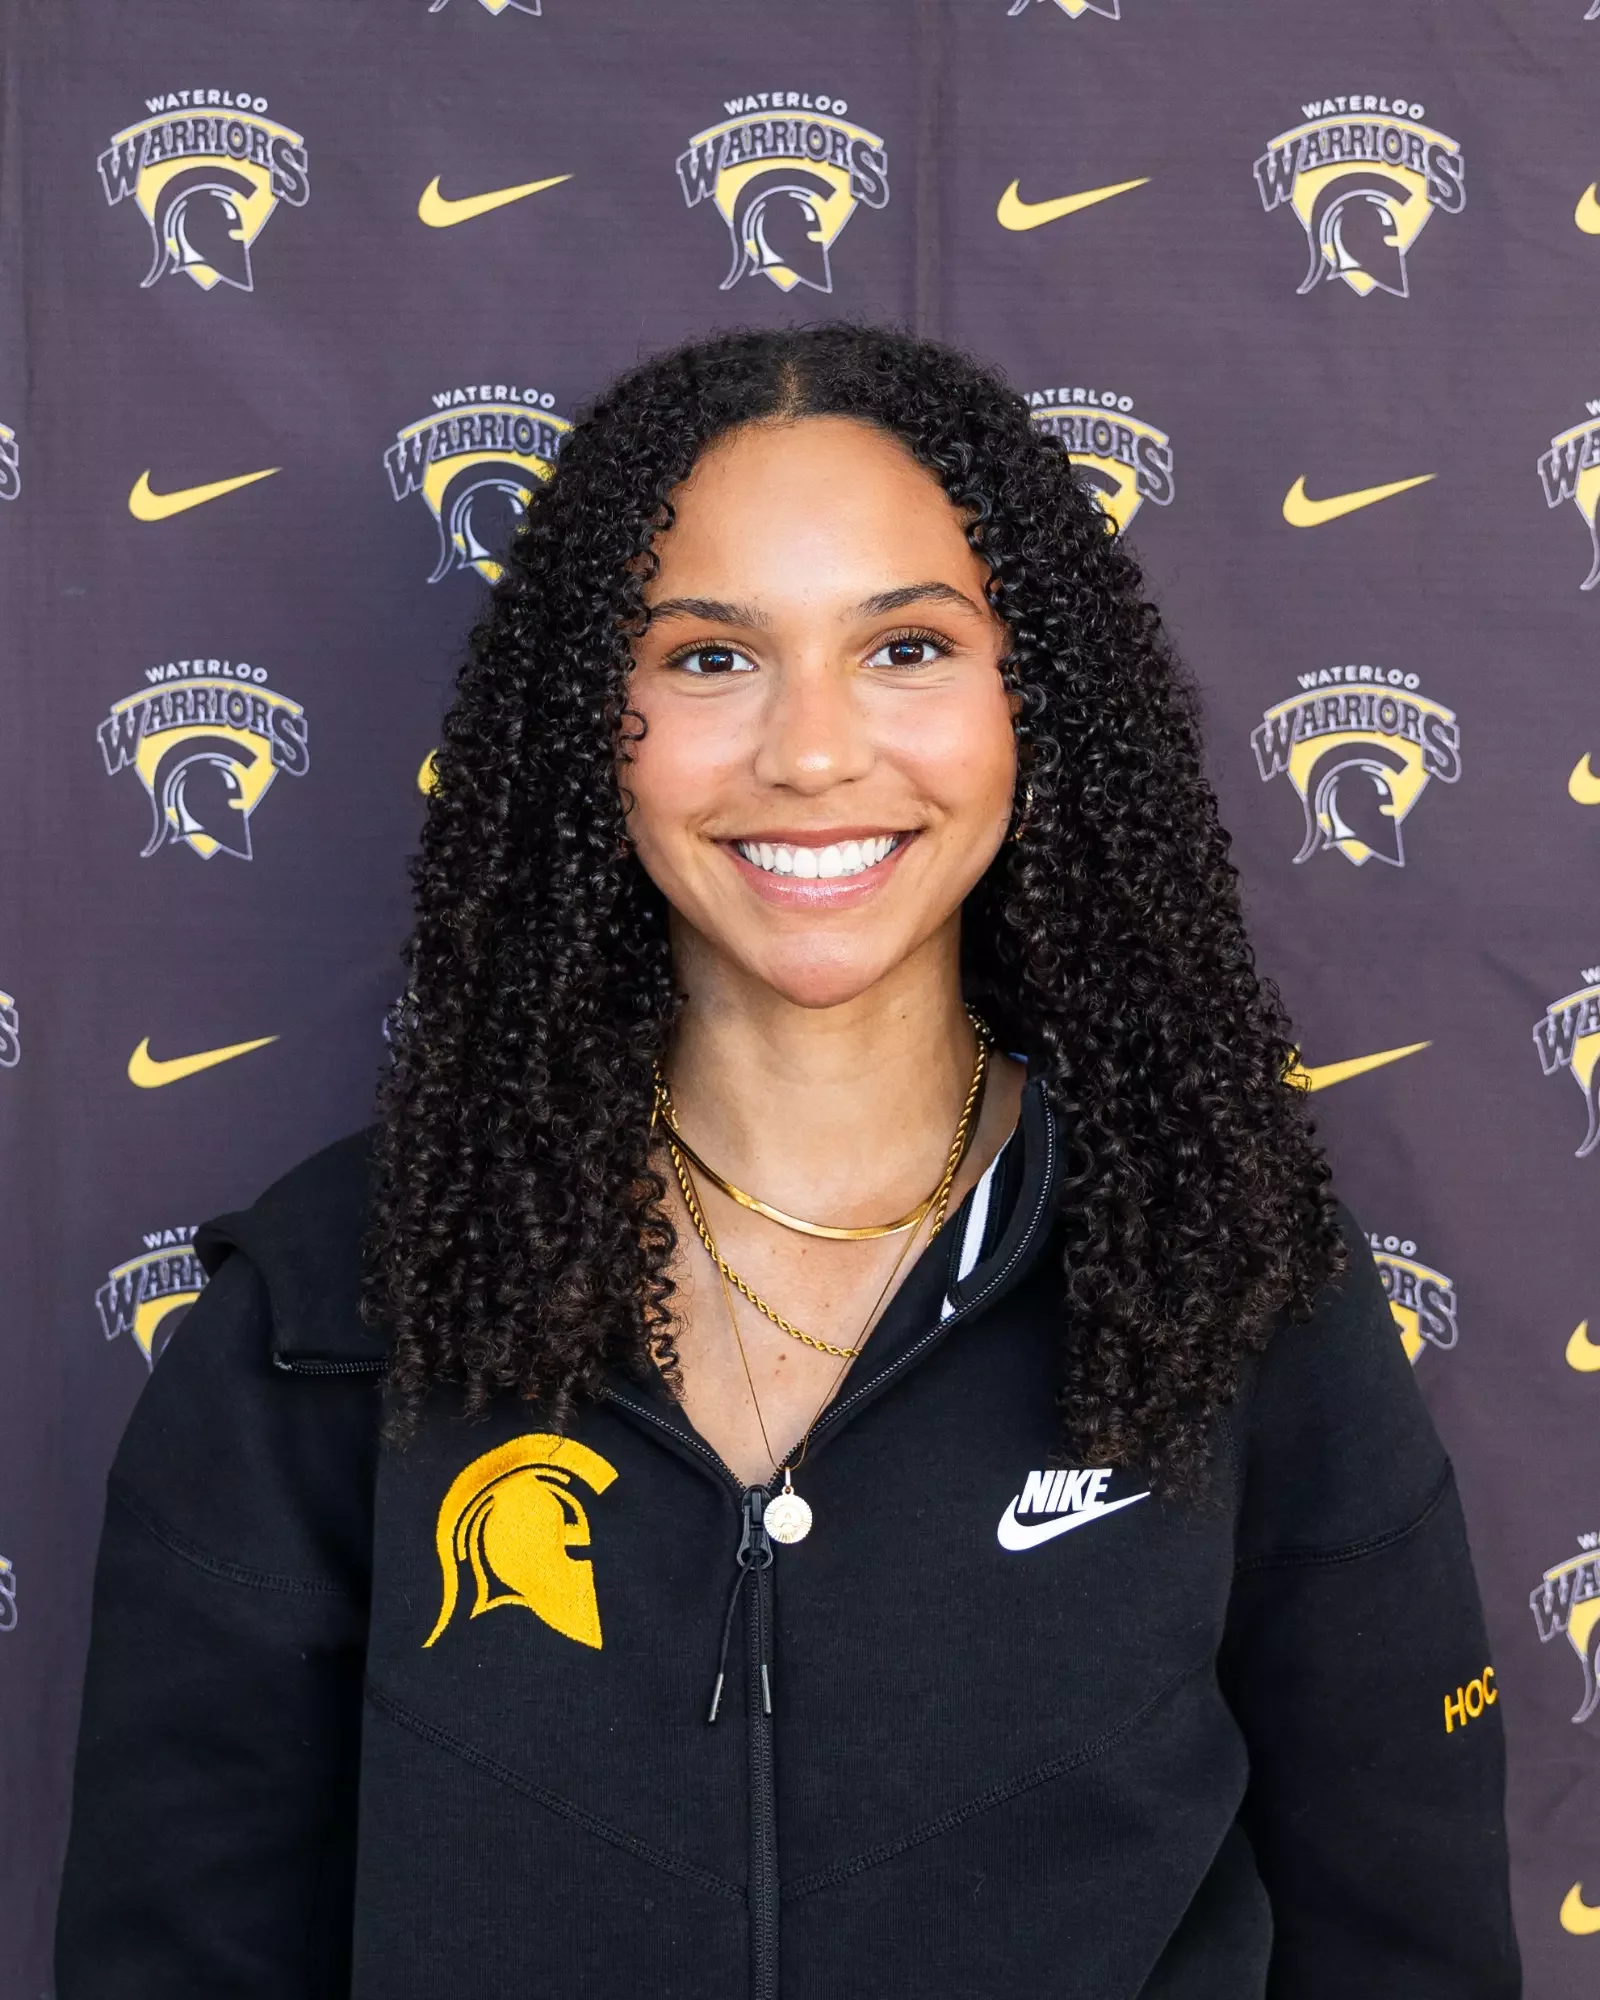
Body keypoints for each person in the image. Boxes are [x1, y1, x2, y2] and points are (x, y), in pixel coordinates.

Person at [54, 324, 1520, 1999]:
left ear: (1038, 704)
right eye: (705, 659)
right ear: (581, 725)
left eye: (905, 646)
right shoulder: (325, 1314)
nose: (812, 752)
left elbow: (1406, 1943)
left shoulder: (1231, 1275)